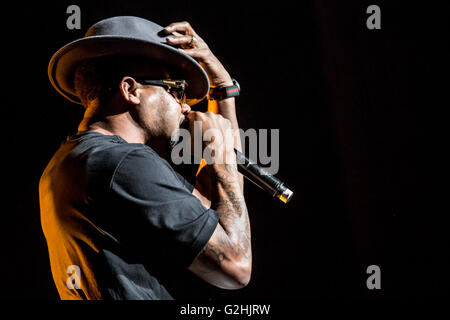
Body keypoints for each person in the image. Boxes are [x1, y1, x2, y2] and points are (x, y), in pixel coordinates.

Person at [40, 16, 251, 300]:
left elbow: (212, 213)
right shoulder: (123, 163)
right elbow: (236, 265)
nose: (184, 104)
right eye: (176, 89)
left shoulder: (78, 160)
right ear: (131, 90)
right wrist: (221, 155)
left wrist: (223, 93)